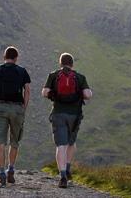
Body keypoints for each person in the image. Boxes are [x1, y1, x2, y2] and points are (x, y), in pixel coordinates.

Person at [42, 53, 92, 188]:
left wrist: (54, 94)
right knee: (71, 142)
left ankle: (62, 175)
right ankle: (68, 167)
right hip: (74, 115)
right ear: (72, 63)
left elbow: (44, 92)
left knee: (61, 145)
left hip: (58, 113)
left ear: (60, 63)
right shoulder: (80, 77)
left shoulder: (53, 75)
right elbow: (87, 95)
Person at [0, 46, 31, 188]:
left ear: (4, 56)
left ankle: (1, 173)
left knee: (0, 141)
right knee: (15, 141)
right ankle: (11, 169)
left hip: (0, 107)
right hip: (17, 108)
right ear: (16, 57)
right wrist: (23, 107)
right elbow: (28, 90)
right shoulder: (22, 71)